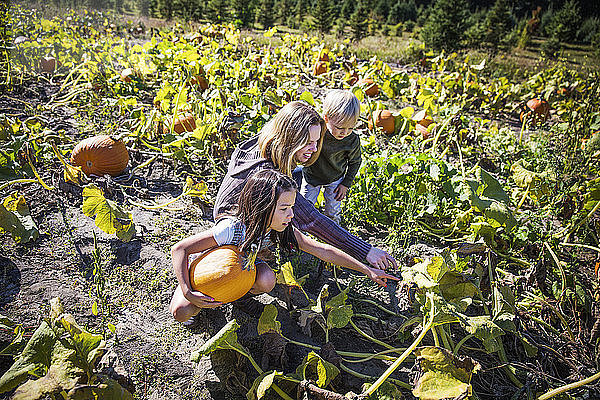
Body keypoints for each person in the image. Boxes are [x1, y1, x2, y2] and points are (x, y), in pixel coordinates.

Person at [169, 170, 399, 322]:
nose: (291, 214)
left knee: (267, 279)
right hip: (206, 272)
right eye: (284, 208)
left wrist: (366, 269)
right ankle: (207, 293)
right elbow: (180, 249)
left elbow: (322, 250)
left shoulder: (282, 228)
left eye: (291, 207)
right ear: (263, 207)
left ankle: (235, 295)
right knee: (181, 312)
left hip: (240, 269)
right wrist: (188, 289)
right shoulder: (231, 228)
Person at [214, 101, 397, 270]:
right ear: (291, 139)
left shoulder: (268, 140)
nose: (315, 148)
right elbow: (311, 219)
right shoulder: (268, 176)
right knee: (265, 273)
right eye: (308, 142)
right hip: (236, 225)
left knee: (298, 173)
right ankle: (260, 248)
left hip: (244, 206)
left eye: (317, 141)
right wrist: (365, 251)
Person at [300, 90, 361, 224]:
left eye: (350, 128)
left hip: (335, 178)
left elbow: (355, 162)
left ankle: (332, 234)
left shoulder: (352, 140)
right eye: (340, 128)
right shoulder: (317, 131)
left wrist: (346, 183)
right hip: (312, 175)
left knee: (332, 211)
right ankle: (300, 234)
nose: (345, 132)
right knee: (304, 207)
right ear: (327, 118)